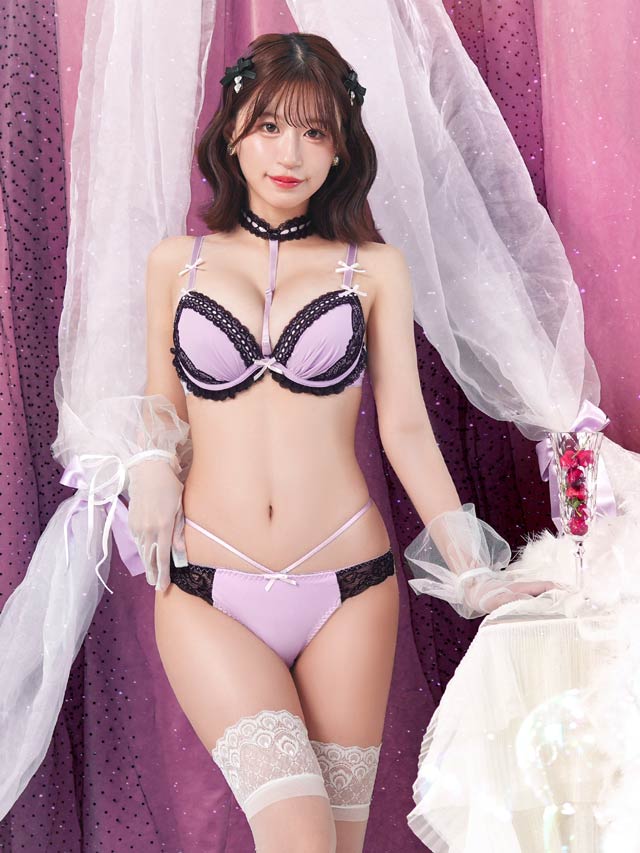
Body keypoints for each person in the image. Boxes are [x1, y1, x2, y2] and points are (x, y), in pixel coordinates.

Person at [125, 31, 555, 853]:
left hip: (351, 590)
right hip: (209, 588)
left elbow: (406, 429)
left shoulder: (375, 268)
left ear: (341, 149)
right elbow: (159, 396)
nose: (290, 153)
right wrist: (150, 462)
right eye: (269, 126)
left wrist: (472, 569)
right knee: (299, 834)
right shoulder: (175, 263)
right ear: (232, 134)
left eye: (315, 131)